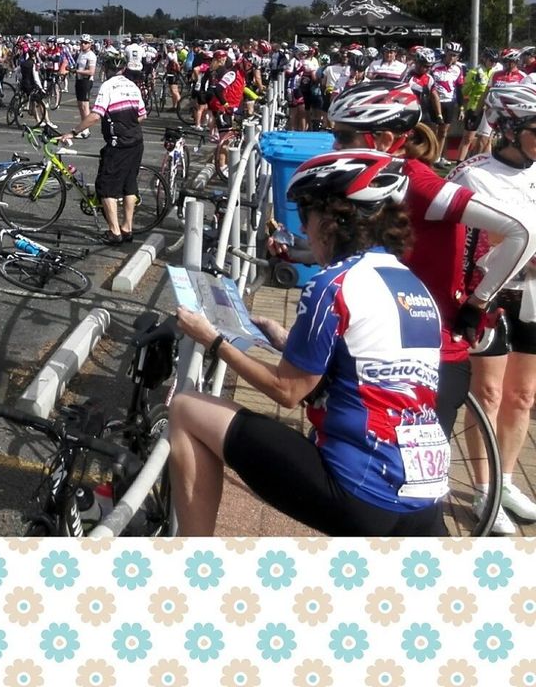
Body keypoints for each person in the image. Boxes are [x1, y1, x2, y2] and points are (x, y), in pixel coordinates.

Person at [172, 150, 449, 536]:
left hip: (359, 490)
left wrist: (213, 339)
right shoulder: (413, 285)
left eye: (306, 214)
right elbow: (367, 365)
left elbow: (286, 391)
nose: (303, 228)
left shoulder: (332, 283)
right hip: (427, 495)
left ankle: (193, 558)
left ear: (333, 220)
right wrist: (286, 340)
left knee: (186, 408)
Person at [326, 79, 535, 481]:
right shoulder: (383, 177)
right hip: (397, 329)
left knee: (414, 475)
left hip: (435, 341)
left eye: (344, 136)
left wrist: (478, 302)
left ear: (384, 139)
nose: (335, 145)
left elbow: (523, 233)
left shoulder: (418, 182)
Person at [448, 82, 536, 533]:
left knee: (523, 397)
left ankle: (506, 478)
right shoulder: (473, 174)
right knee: (488, 394)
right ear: (508, 129)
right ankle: (485, 488)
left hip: (533, 293)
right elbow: (459, 234)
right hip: (489, 293)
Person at [58, 47, 146, 245]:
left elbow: (95, 115)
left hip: (118, 143)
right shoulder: (133, 86)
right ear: (123, 69)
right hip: (136, 141)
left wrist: (73, 132)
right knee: (129, 185)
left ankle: (114, 232)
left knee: (106, 187)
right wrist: (128, 124)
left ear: (105, 69)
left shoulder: (108, 86)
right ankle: (127, 228)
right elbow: (142, 115)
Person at [73, 35, 97, 127]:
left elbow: (91, 72)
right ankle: (83, 126)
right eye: (81, 42)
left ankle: (86, 128)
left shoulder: (91, 55)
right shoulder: (81, 54)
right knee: (80, 105)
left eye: (85, 43)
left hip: (86, 81)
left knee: (85, 106)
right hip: (79, 80)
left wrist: (77, 71)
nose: (83, 44)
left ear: (90, 44)